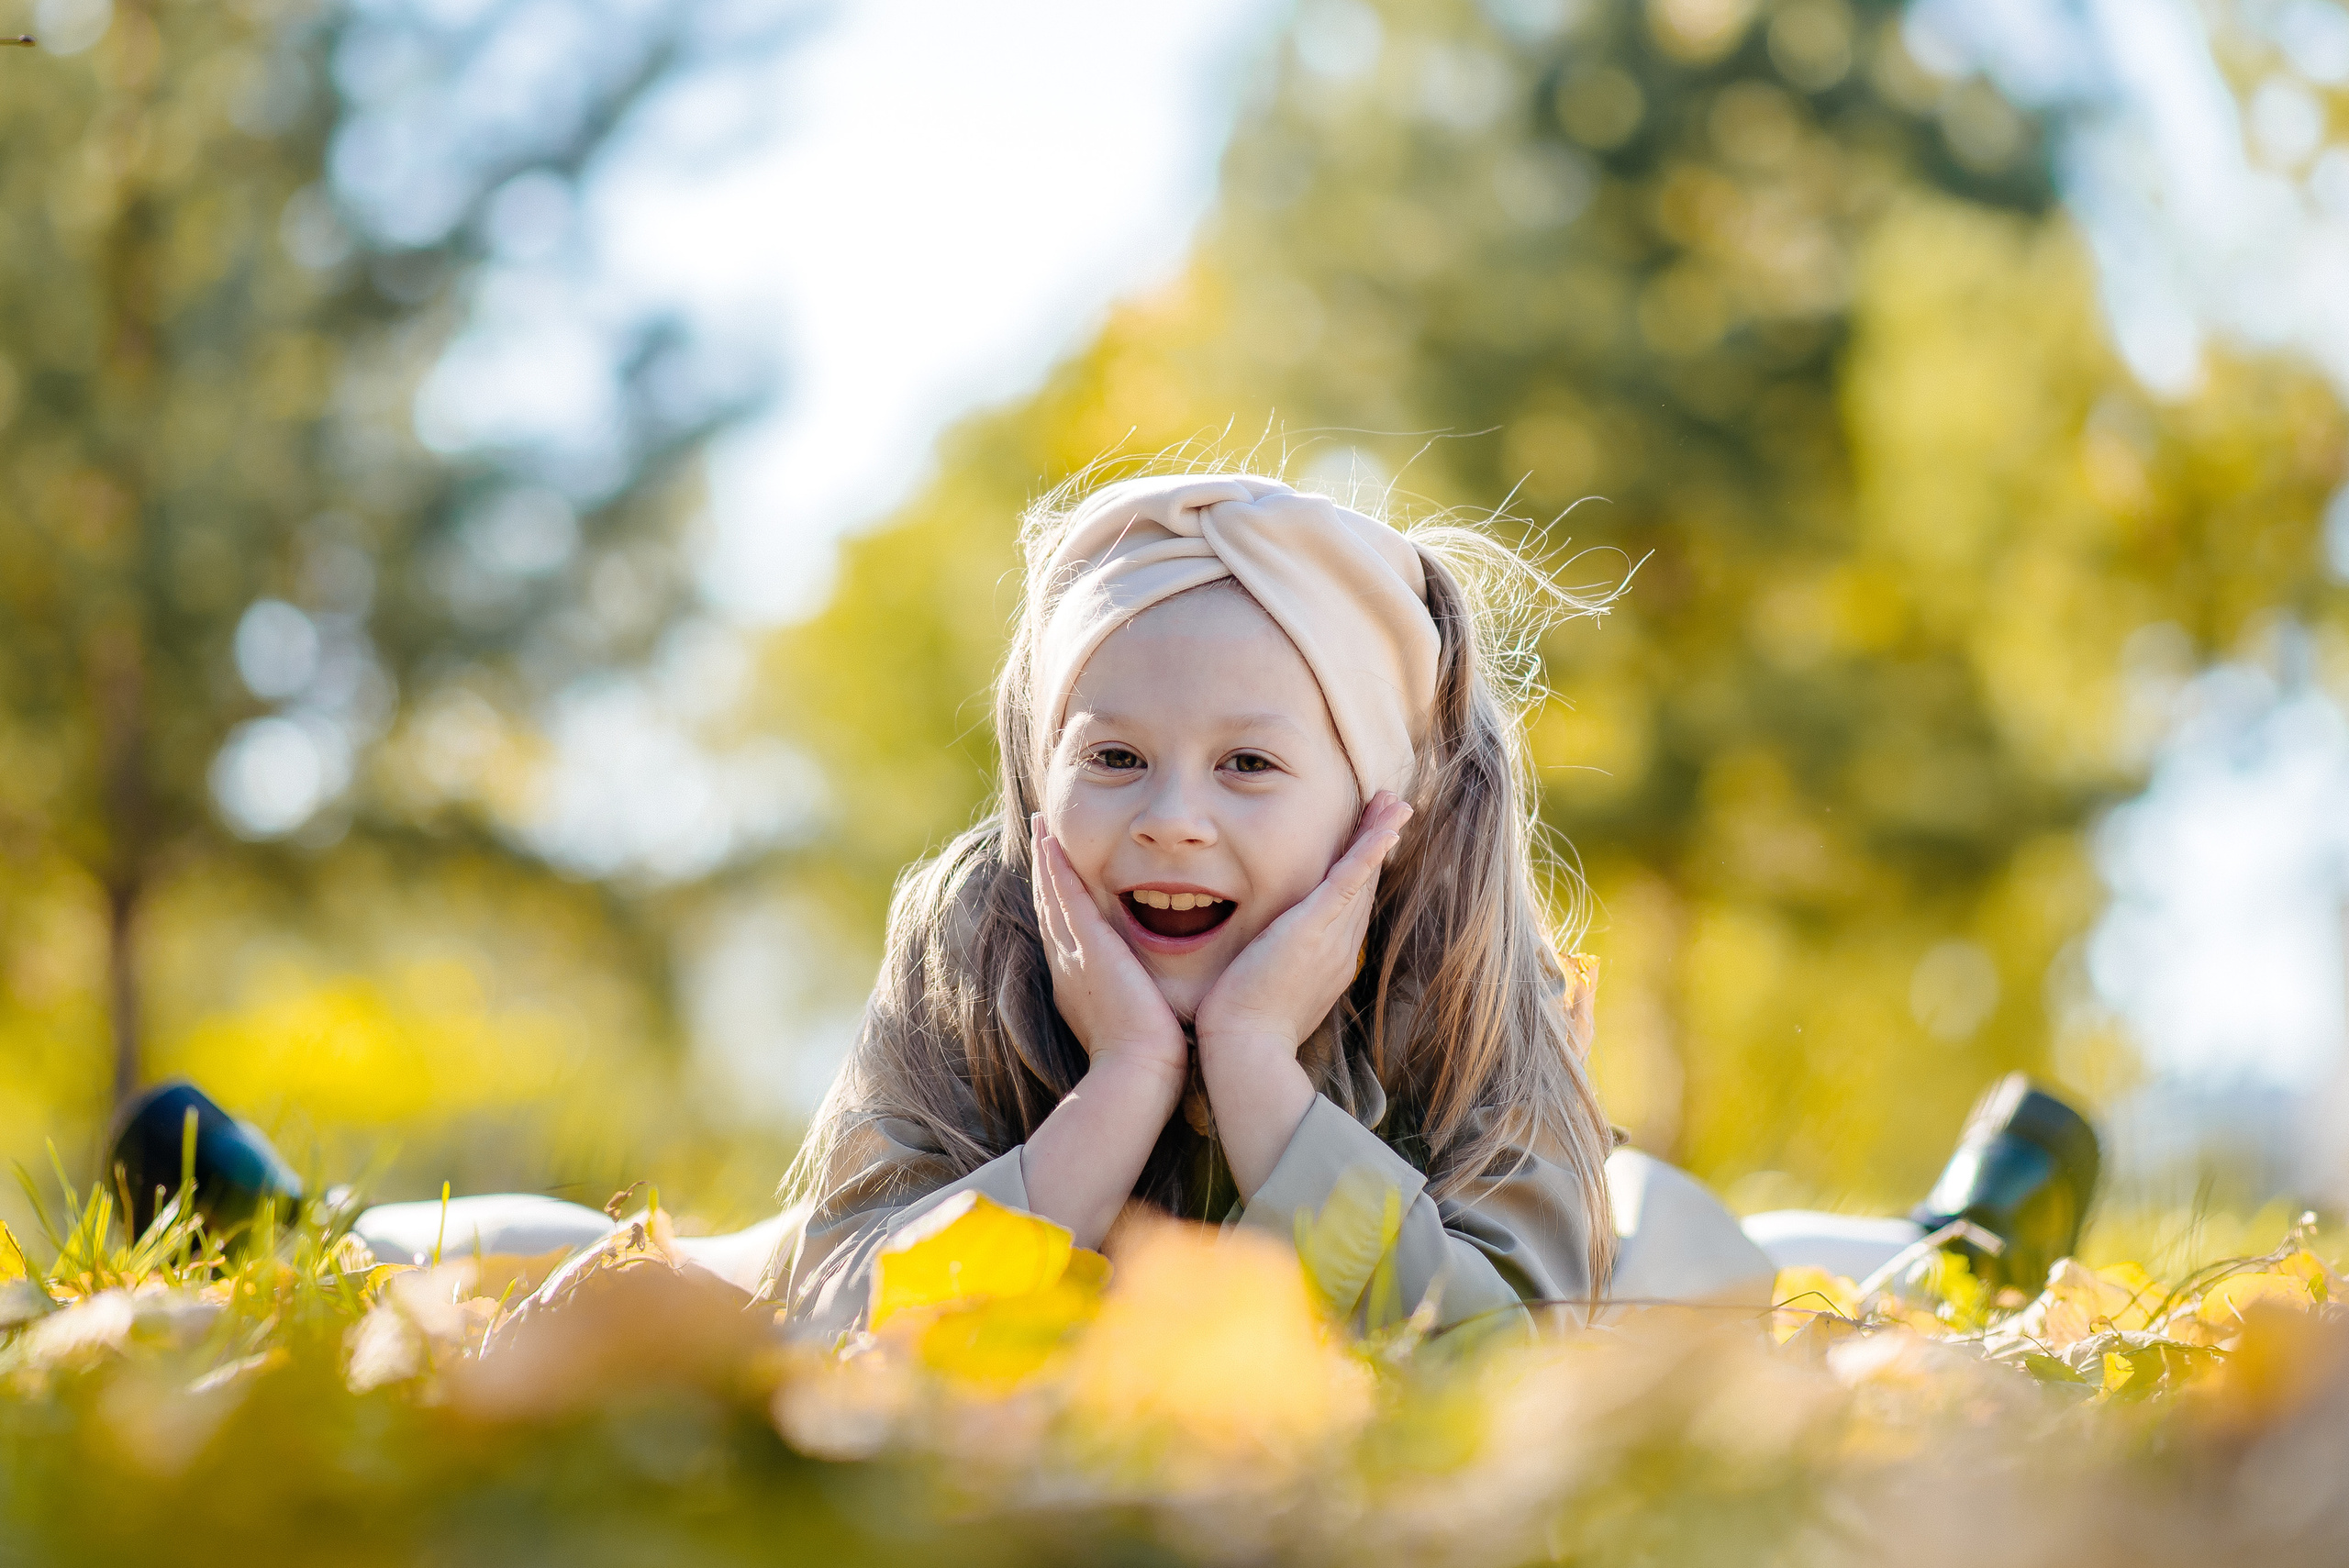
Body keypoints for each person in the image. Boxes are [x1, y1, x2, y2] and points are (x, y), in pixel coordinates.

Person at [110, 473, 2100, 1325]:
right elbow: (834, 1301)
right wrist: (1101, 1115)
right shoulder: (978, 931)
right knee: (684, 1272)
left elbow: (1489, 1341)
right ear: (1029, 767)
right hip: (1021, 1231)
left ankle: (1940, 1251)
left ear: (1375, 806)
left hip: (1522, 1240)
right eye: (1109, 757)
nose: (1168, 821)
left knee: (1698, 1251)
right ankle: (334, 1235)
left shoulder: (1456, 962)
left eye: (1249, 770)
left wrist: (1257, 1076)